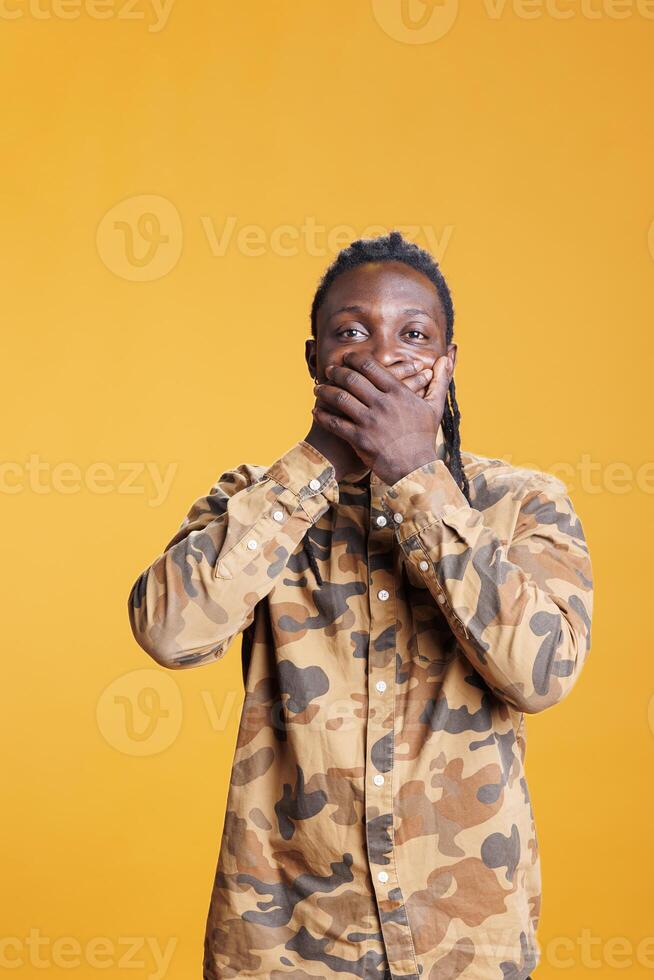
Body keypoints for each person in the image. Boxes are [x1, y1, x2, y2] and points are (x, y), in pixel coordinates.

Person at [127, 231, 592, 980]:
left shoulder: (521, 503)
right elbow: (169, 631)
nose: (380, 356)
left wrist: (416, 472)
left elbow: (541, 674)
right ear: (314, 360)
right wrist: (317, 463)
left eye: (412, 335)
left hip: (466, 946)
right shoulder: (253, 502)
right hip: (284, 946)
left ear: (448, 364)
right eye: (352, 333)